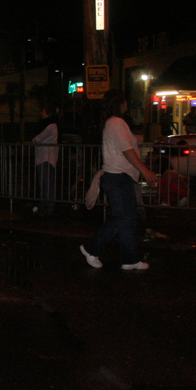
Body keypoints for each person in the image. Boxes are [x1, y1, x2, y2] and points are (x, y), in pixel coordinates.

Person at [80, 90, 157, 271]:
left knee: (128, 219)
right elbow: (126, 150)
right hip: (117, 176)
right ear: (121, 103)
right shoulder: (116, 122)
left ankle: (130, 259)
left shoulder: (115, 122)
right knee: (123, 218)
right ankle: (91, 248)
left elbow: (123, 146)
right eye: (125, 102)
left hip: (121, 176)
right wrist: (145, 170)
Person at [32, 104, 58, 217]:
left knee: (47, 184)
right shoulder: (48, 125)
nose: (41, 113)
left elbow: (37, 138)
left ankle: (48, 209)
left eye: (43, 111)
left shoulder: (51, 126)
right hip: (43, 158)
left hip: (47, 158)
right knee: (44, 184)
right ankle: (44, 207)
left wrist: (35, 139)